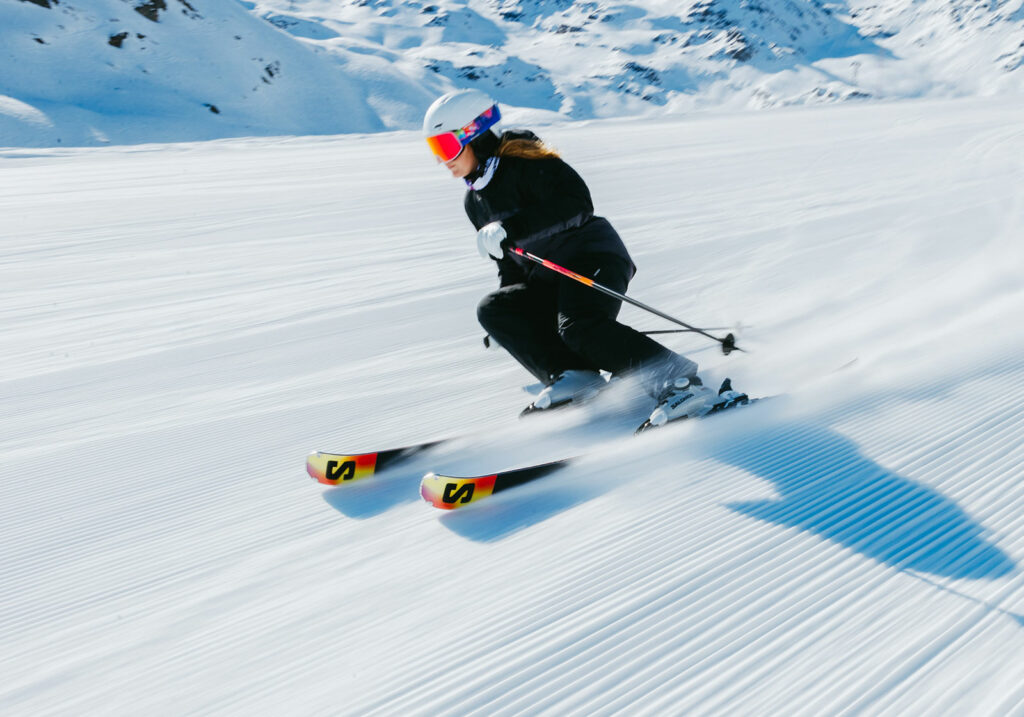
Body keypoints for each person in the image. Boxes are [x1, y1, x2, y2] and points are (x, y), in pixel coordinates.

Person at [423, 88, 730, 427]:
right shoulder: (475, 202)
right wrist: (510, 319)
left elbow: (577, 204)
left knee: (581, 328)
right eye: (435, 150)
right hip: (547, 277)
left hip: (592, 256)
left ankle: (681, 383)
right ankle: (576, 376)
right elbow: (509, 262)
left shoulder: (528, 164)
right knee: (493, 308)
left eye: (446, 146)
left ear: (474, 135)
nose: (443, 160)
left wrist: (511, 227)